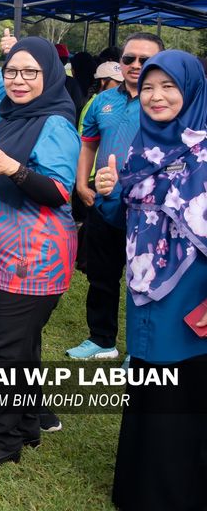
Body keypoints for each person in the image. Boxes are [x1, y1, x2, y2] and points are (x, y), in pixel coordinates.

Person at [0, 37, 79, 469]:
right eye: (12, 71)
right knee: (20, 347)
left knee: (5, 350)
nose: (19, 80)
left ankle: (1, 440)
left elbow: (60, 190)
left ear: (49, 75)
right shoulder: (8, 119)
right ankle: (26, 424)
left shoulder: (56, 124)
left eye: (31, 72)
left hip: (35, 257)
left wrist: (15, 168)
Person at [92, 50, 207, 511]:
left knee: (185, 391)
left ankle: (178, 494)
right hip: (147, 291)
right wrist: (108, 195)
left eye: (169, 87)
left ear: (193, 90)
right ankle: (140, 488)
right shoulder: (142, 146)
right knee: (149, 386)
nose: (156, 97)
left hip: (193, 294)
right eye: (149, 87)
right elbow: (126, 219)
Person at [68, 33, 164, 360]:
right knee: (101, 276)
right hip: (104, 204)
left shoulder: (167, 102)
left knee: (146, 283)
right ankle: (102, 339)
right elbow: (88, 142)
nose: (136, 65)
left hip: (151, 211)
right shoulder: (103, 101)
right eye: (129, 58)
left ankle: (141, 350)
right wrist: (82, 184)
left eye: (145, 60)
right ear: (119, 63)